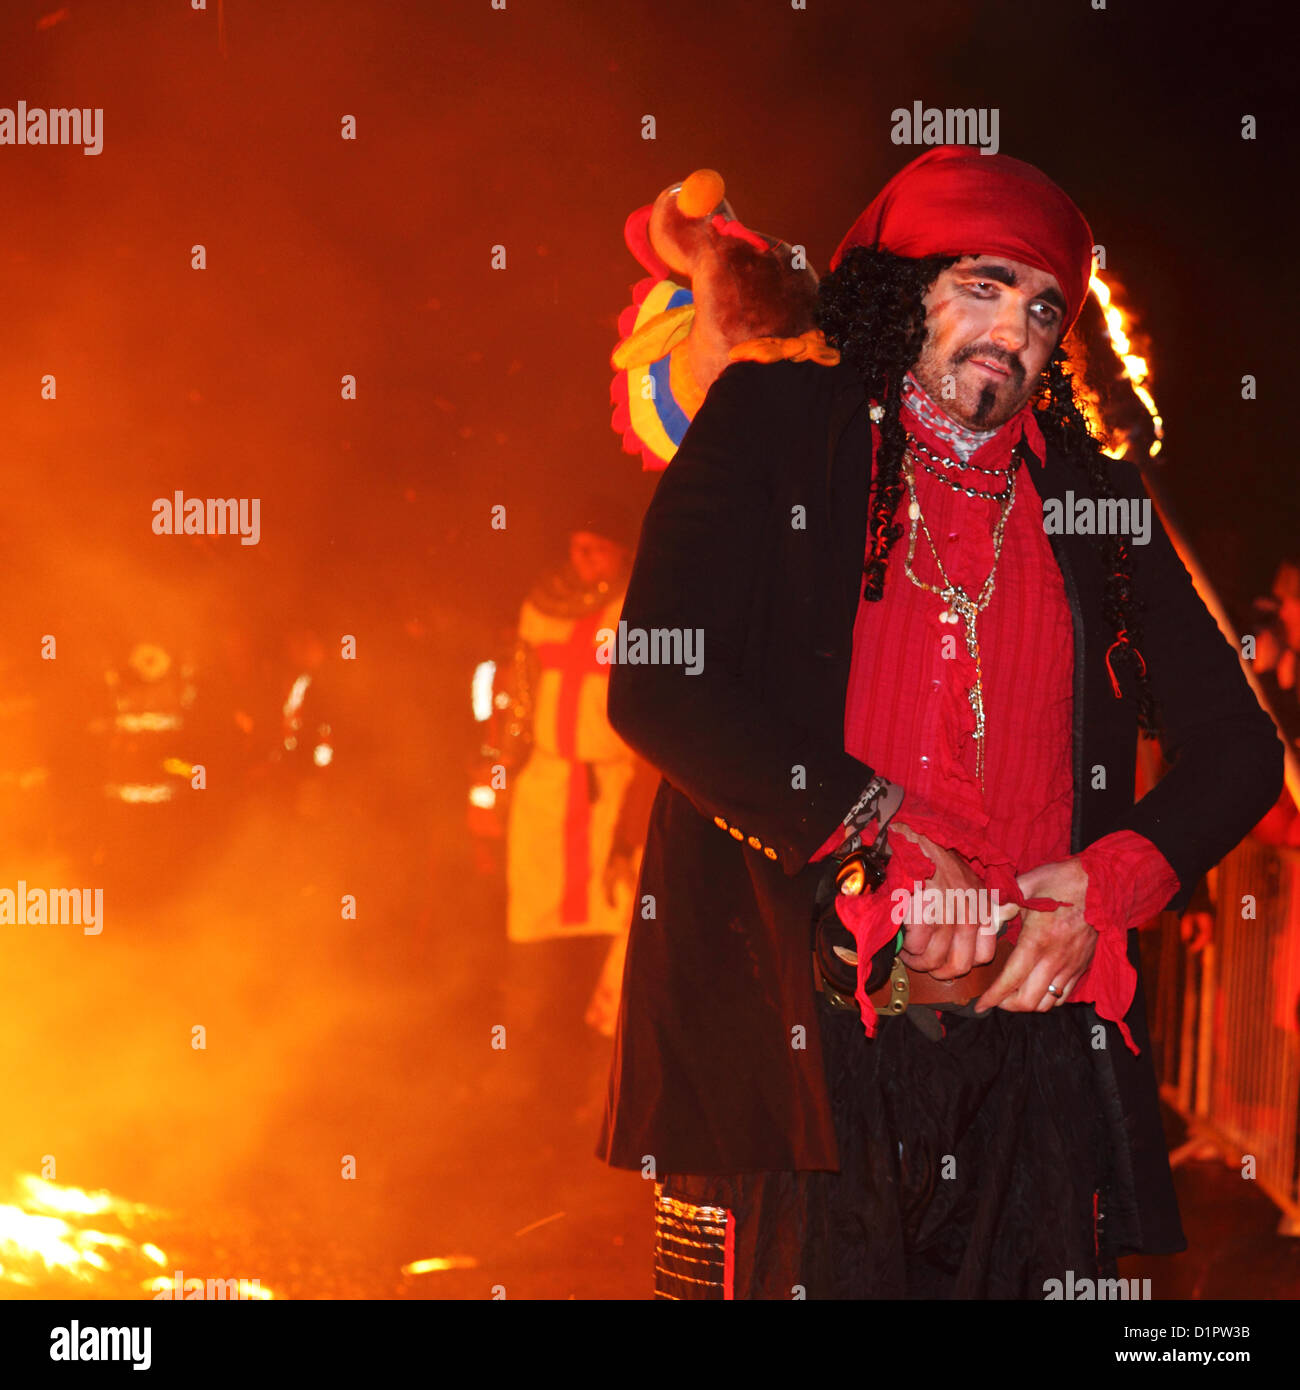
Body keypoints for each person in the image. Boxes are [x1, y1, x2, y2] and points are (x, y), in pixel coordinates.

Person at [597, 145, 1284, 1299]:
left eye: (1041, 307)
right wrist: (879, 825)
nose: (1012, 331)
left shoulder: (1093, 498)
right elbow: (661, 681)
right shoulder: (775, 423)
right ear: (898, 288)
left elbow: (1241, 748)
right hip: (806, 1039)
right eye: (980, 286)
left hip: (1029, 1053)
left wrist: (1106, 884)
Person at [501, 499, 658, 1043]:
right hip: (545, 787)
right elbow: (518, 697)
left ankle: (600, 1062)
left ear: (621, 553)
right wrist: (501, 767)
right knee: (538, 926)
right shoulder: (542, 606)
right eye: (576, 547)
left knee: (612, 927)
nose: (583, 558)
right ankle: (533, 1049)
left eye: (596, 548)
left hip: (613, 788)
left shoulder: (638, 608)